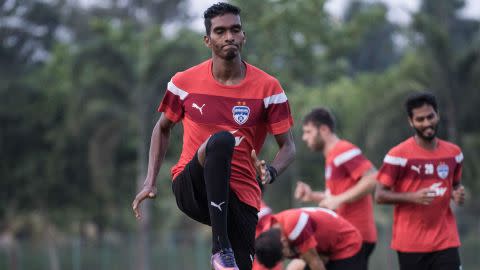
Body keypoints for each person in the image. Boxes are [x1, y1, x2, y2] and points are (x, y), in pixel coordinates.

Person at [131, 2, 295, 270]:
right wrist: (150, 181)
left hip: (241, 197)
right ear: (208, 40)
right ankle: (220, 247)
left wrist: (272, 172)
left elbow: (288, 146)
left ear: (244, 36)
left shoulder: (269, 87)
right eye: (220, 31)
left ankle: (225, 253)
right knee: (222, 141)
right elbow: (162, 128)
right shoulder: (184, 83)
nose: (229, 36)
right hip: (191, 187)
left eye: (235, 29)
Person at [375, 91, 466, 270]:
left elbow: (455, 185)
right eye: (420, 119)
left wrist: (457, 194)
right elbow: (379, 195)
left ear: (437, 115)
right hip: (411, 244)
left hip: (445, 241)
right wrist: (412, 197)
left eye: (430, 117)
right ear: (411, 122)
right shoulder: (397, 156)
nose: (427, 123)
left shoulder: (454, 154)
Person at [294, 107, 377, 268]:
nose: (305, 137)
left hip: (356, 236)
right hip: (343, 236)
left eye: (308, 132)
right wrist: (312, 195)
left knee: (299, 264)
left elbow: (373, 178)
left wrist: (338, 199)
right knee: (300, 263)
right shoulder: (332, 156)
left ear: (324, 129)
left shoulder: (342, 150)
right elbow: (335, 196)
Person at [255, 207, 364, 270]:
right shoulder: (269, 234)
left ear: (283, 242)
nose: (286, 258)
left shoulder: (293, 225)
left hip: (346, 244)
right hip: (323, 251)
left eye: (283, 257)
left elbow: (315, 263)